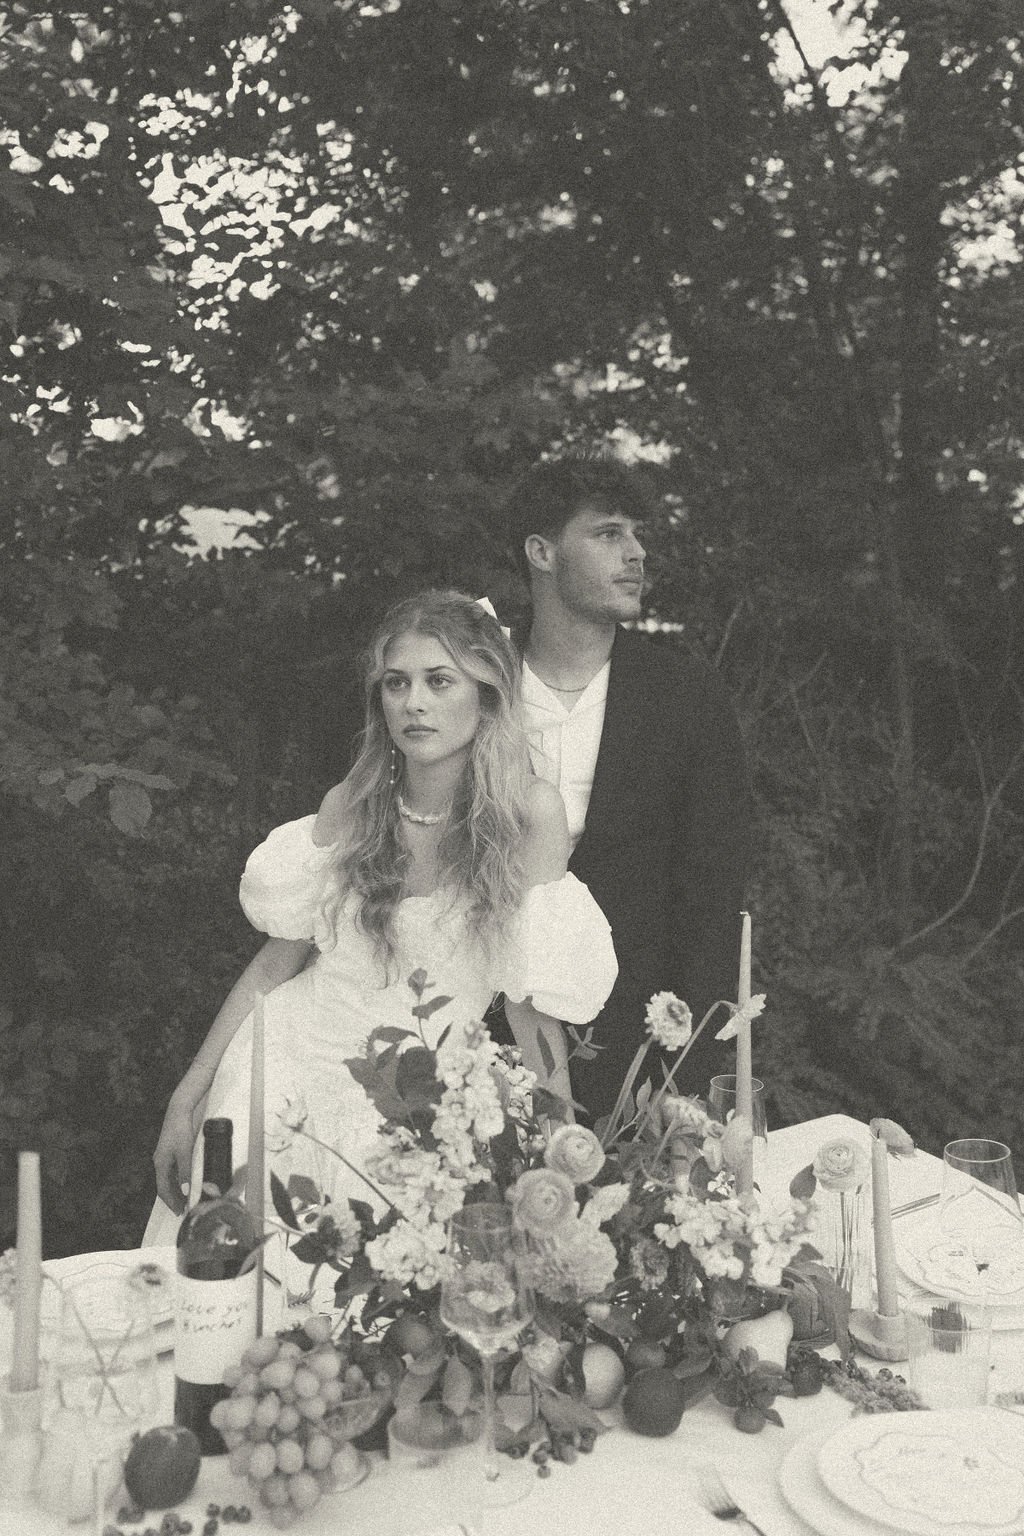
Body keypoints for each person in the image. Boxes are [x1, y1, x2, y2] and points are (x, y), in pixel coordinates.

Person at [144, 590, 617, 1242]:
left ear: (487, 694)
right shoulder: (353, 802)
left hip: (420, 1101)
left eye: (438, 681)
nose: (413, 701)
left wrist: (562, 1135)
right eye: (397, 683)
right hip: (283, 1068)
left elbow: (528, 1002)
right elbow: (276, 963)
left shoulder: (528, 815)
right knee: (237, 1289)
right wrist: (190, 1092)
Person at [505, 452, 752, 1118]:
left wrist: (687, 1075)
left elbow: (712, 894)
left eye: (637, 535)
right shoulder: (478, 682)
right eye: (609, 533)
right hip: (487, 1031)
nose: (636, 552)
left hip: (631, 1042)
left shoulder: (685, 694)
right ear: (543, 552)